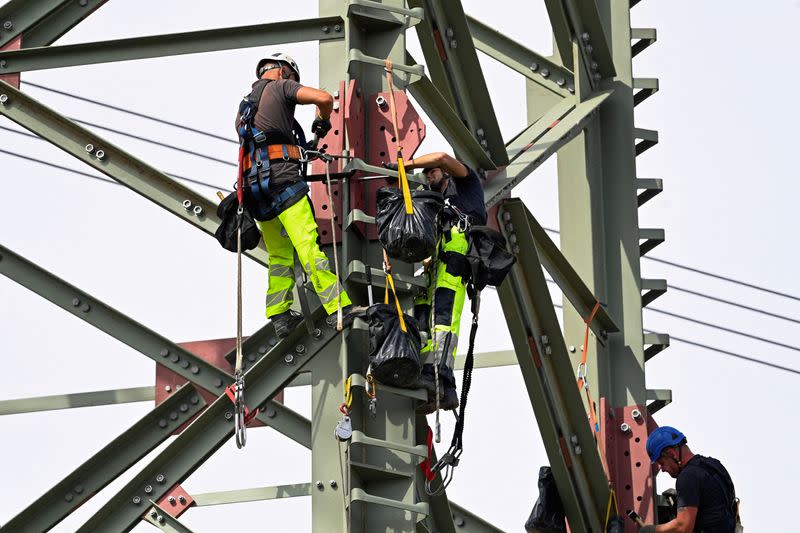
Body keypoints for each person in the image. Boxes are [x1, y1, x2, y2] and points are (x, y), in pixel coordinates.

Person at [239, 52, 356, 338]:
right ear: (283, 71)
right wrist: (322, 122)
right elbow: (324, 99)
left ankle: (279, 315)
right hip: (283, 181)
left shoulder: (245, 104)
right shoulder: (282, 86)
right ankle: (337, 306)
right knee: (308, 247)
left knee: (279, 256)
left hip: (255, 190)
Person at [388, 152, 487, 413]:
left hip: (455, 257)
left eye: (432, 170)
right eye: (426, 172)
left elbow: (443, 157)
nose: (429, 174)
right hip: (437, 261)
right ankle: (435, 383)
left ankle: (440, 377)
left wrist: (405, 164)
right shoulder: (435, 202)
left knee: (443, 319)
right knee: (422, 316)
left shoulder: (466, 184)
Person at [641, 426, 740, 533]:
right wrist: (685, 500)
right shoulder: (714, 465)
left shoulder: (687, 477)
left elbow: (683, 527)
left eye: (662, 463)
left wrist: (653, 530)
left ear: (671, 454)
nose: (662, 469)